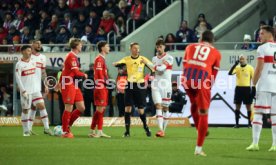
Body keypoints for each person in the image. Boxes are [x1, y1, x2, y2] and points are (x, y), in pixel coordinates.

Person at [182, 30, 221, 156]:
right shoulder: (216, 53)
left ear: (201, 39)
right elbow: (214, 74)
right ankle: (198, 149)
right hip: (202, 80)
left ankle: (199, 129)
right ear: (212, 41)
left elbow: (185, 65)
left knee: (194, 104)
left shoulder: (189, 47)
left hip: (187, 79)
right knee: (203, 112)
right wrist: (208, 87)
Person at [246, 25, 276, 152]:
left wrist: (253, 84)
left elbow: (259, 68)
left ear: (270, 34)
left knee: (258, 114)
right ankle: (274, 145)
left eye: (262, 33)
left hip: (264, 85)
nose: (260, 36)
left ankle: (255, 143)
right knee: (275, 116)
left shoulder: (262, 49)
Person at [113, 42, 153, 137]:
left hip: (140, 85)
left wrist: (146, 63)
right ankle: (127, 131)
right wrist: (116, 64)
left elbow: (153, 68)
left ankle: (146, 127)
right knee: (127, 108)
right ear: (131, 49)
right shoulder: (127, 59)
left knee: (140, 110)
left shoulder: (143, 59)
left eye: (138, 48)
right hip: (129, 85)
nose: (137, 50)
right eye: (135, 48)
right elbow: (118, 63)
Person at [57, 38, 87, 138]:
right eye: (80, 44)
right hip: (68, 83)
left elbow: (64, 70)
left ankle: (67, 125)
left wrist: (58, 82)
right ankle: (65, 131)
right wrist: (84, 75)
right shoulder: (71, 56)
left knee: (81, 108)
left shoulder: (73, 56)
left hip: (73, 83)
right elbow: (76, 72)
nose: (81, 46)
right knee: (68, 107)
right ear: (76, 46)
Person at [28, 39, 53, 135]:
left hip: (37, 86)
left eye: (40, 44)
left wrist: (46, 84)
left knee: (33, 107)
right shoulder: (28, 56)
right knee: (41, 105)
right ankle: (46, 128)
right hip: (29, 86)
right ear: (32, 44)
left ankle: (29, 129)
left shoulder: (43, 57)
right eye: (37, 43)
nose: (39, 45)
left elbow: (43, 72)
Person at [15, 45, 40, 136]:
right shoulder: (19, 64)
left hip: (35, 90)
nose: (30, 52)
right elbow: (18, 78)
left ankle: (30, 128)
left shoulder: (33, 61)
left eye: (30, 50)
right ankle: (25, 130)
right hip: (26, 91)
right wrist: (23, 90)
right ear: (23, 52)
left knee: (36, 107)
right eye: (28, 50)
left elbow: (35, 75)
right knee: (25, 110)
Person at [151, 39, 173, 137]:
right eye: (157, 47)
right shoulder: (154, 59)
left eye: (161, 46)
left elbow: (161, 69)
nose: (159, 48)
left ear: (164, 47)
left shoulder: (169, 57)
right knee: (158, 106)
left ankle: (163, 130)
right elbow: (154, 72)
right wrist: (150, 76)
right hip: (156, 84)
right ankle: (160, 130)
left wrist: (151, 65)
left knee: (165, 108)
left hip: (166, 85)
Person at [88, 41, 111, 138]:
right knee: (100, 109)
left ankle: (93, 129)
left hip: (102, 86)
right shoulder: (99, 59)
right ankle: (99, 131)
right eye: (107, 46)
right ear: (102, 48)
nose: (109, 47)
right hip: (100, 86)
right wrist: (105, 82)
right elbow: (99, 74)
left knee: (99, 110)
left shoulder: (102, 59)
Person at [228, 55, 254, 128]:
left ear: (246, 59)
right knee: (237, 106)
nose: (241, 60)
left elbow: (253, 78)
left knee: (248, 106)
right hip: (238, 88)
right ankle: (237, 124)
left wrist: (254, 89)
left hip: (247, 89)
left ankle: (249, 124)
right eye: (240, 59)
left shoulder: (250, 68)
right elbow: (229, 73)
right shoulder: (237, 67)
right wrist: (235, 64)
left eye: (243, 58)